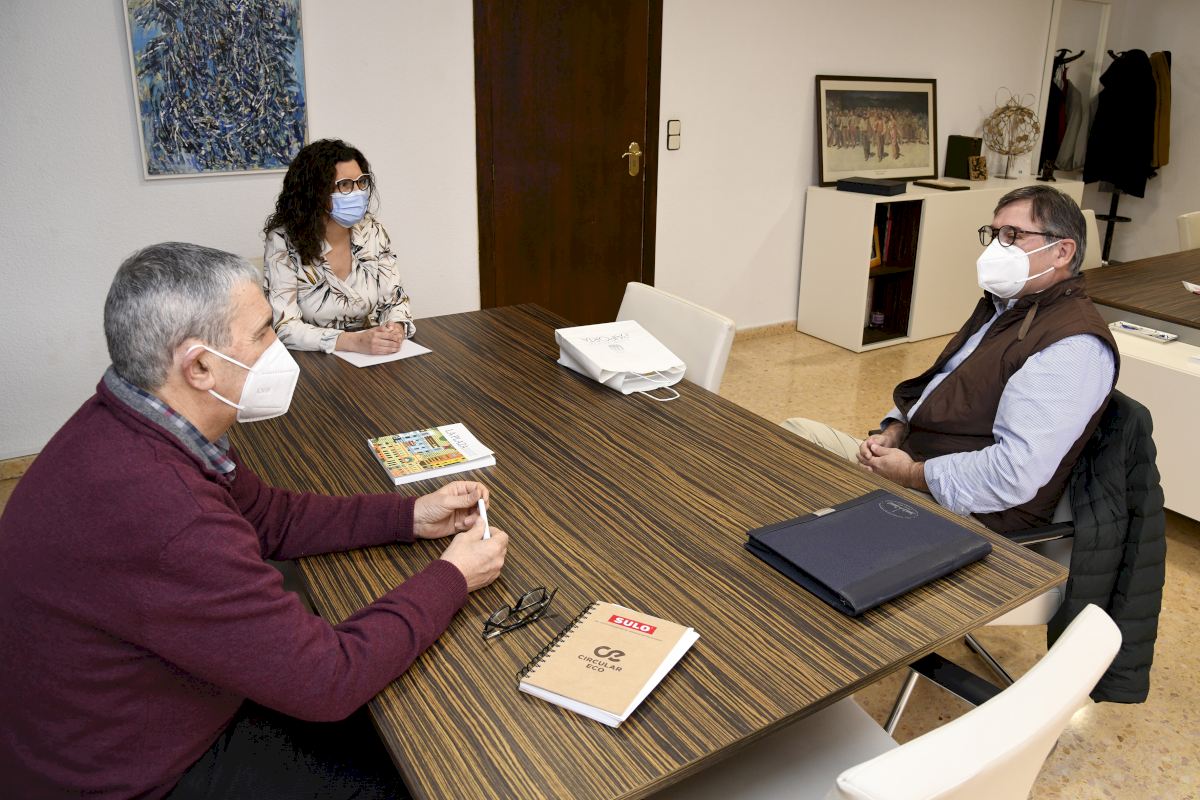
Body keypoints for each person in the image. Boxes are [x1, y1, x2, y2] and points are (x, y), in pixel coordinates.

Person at [0, 243, 510, 799]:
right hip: (135, 776)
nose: (278, 347)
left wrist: (408, 515)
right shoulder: (168, 513)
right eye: (264, 332)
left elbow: (268, 516)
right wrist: (453, 577)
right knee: (430, 770)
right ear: (199, 366)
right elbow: (327, 679)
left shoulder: (138, 416)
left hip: (127, 712)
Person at [784, 185, 1118, 533]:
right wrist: (895, 430)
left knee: (797, 490)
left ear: (1062, 251)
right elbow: (946, 385)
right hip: (916, 463)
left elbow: (1012, 474)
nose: (996, 248)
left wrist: (911, 473)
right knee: (790, 437)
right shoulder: (1004, 307)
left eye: (1012, 235)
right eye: (994, 235)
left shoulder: (1073, 347)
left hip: (971, 514)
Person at [263, 138, 413, 355]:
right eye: (345, 185)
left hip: (369, 354)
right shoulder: (282, 241)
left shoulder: (371, 230)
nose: (358, 192)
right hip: (312, 359)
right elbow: (284, 327)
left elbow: (395, 302)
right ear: (314, 191)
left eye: (361, 182)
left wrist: (395, 328)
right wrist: (352, 341)